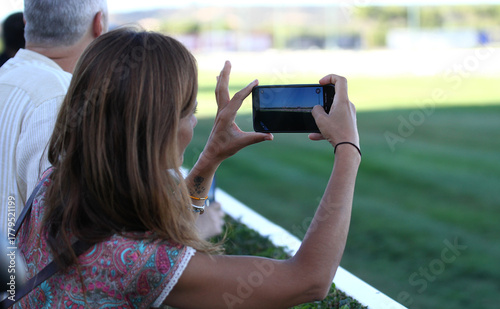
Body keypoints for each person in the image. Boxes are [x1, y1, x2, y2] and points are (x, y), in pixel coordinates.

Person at [16, 28, 361, 308]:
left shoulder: (54, 183)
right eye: (190, 111)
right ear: (159, 126)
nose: (195, 122)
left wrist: (210, 157)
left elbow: (164, 227)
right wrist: (347, 148)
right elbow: (307, 280)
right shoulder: (136, 263)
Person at [0, 0, 108, 237]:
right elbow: (71, 235)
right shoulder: (66, 100)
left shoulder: (6, 77)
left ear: (26, 22)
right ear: (100, 24)